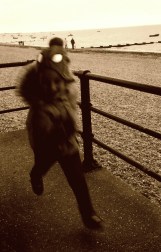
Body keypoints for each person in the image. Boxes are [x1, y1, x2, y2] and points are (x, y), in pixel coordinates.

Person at [17, 37, 102, 229]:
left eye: (58, 82)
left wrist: (70, 126)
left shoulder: (66, 71)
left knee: (76, 176)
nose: (54, 87)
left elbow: (71, 103)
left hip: (64, 133)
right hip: (43, 131)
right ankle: (36, 174)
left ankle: (89, 215)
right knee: (43, 162)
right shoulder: (34, 70)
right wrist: (39, 104)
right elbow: (21, 88)